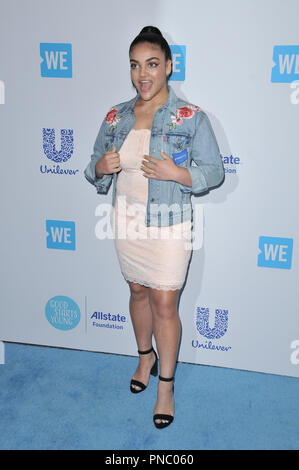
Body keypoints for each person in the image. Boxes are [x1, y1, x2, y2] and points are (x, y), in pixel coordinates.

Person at [84, 26, 225, 429]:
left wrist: (178, 174)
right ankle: (144, 357)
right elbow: (93, 164)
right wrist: (100, 168)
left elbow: (213, 172)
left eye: (151, 64)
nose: (142, 74)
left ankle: (165, 385)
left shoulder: (190, 117)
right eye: (134, 65)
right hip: (126, 220)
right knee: (136, 290)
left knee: (165, 304)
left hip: (168, 226)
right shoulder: (116, 115)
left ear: (168, 65)